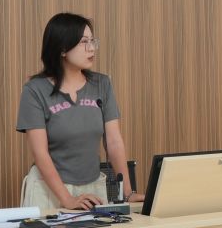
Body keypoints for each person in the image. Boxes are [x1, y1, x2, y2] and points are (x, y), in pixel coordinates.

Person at [16, 12, 142, 210]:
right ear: (62, 49)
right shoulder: (34, 90)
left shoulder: (102, 84)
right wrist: (67, 199)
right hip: (48, 191)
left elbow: (114, 142)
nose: (91, 48)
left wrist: (128, 192)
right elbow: (40, 153)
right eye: (84, 42)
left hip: (93, 189)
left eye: (92, 41)